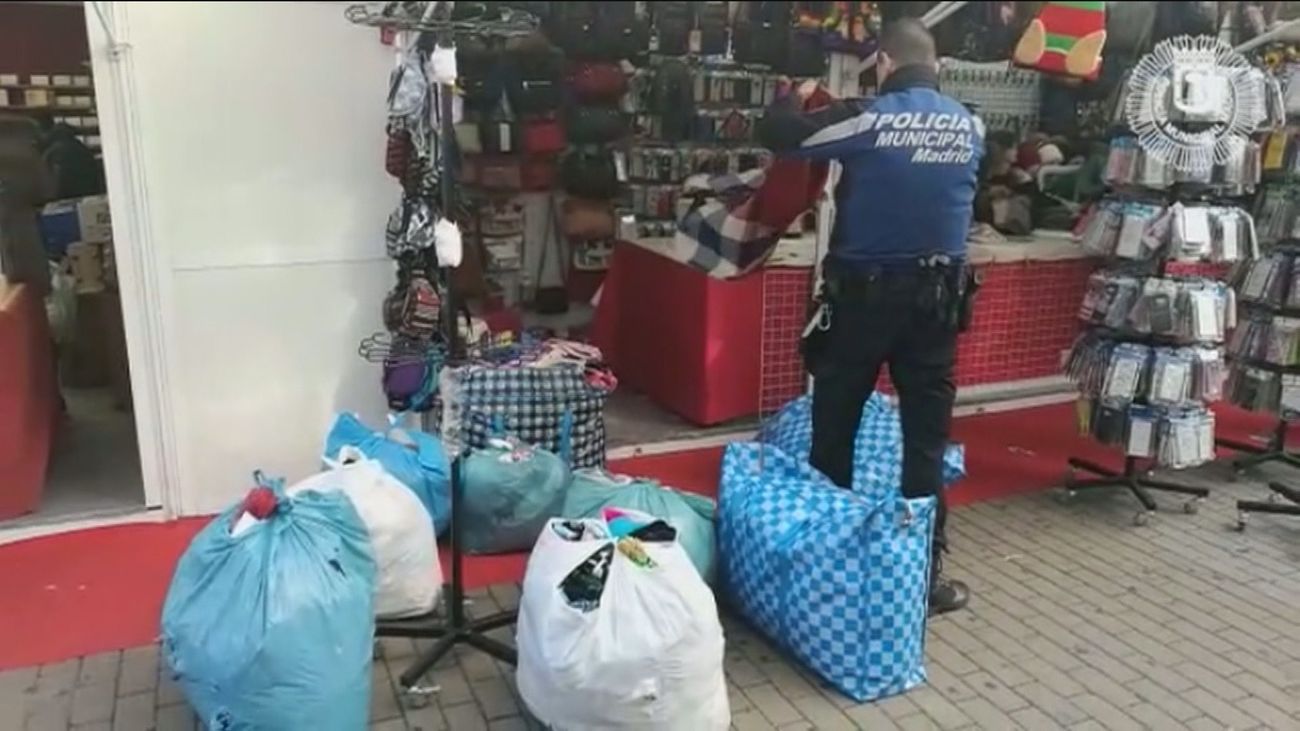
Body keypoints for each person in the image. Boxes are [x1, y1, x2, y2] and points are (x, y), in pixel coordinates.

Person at [756, 18, 983, 615]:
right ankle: (924, 579)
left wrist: (792, 98)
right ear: (937, 67)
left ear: (882, 64)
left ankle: (827, 568)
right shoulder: (971, 125)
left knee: (835, 430)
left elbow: (781, 135)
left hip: (862, 301)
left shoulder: (872, 117)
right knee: (925, 443)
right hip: (938, 304)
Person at [34, 111, 103, 200]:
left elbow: (54, 189)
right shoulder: (78, 145)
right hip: (89, 199)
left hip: (67, 201)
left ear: (40, 132)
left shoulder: (52, 153)